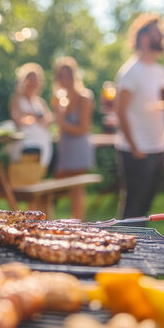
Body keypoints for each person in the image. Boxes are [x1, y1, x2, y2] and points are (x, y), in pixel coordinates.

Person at [114, 14, 164, 226]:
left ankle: (137, 249)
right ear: (144, 37)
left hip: (157, 148)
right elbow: (120, 112)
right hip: (136, 150)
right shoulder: (130, 72)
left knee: (145, 209)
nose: (163, 36)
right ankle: (123, 249)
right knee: (133, 209)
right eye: (158, 32)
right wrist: (135, 146)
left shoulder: (160, 71)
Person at [51, 56, 95, 221]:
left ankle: (78, 223)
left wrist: (61, 122)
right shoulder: (60, 99)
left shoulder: (84, 97)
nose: (64, 79)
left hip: (78, 147)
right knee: (58, 186)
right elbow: (58, 126)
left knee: (76, 187)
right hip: (65, 148)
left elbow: (83, 128)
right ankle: (53, 220)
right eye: (60, 76)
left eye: (67, 75)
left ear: (74, 76)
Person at [9, 62, 53, 167]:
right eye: (30, 79)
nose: (32, 83)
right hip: (25, 142)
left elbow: (49, 120)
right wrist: (33, 117)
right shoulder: (16, 99)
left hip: (42, 141)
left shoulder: (40, 102)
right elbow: (18, 121)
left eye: (35, 80)